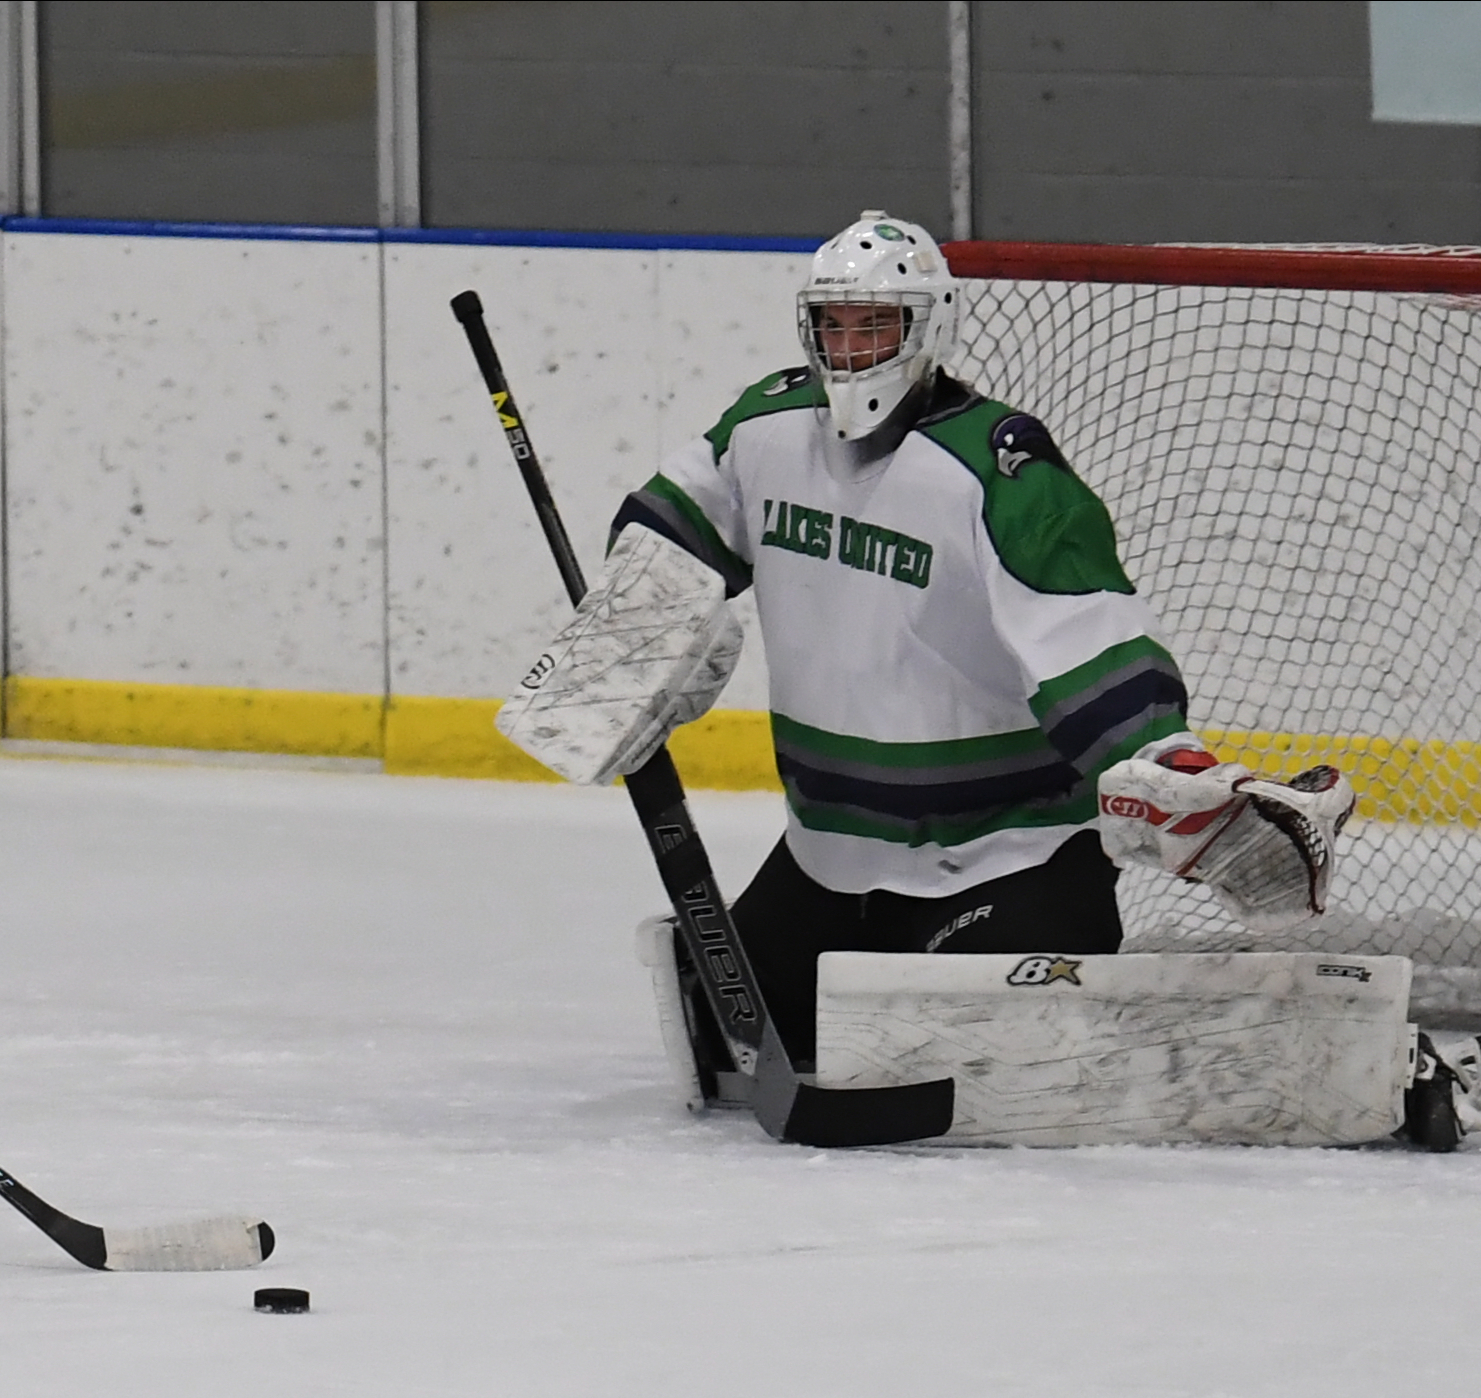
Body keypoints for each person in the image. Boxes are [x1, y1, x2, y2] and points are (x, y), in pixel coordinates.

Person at [499, 211, 1370, 1109]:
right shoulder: (763, 427)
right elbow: (669, 531)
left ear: (928, 327)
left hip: (1008, 859)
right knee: (719, 1027)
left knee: (975, 1058)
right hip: (828, 858)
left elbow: (1090, 646)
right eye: (832, 325)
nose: (849, 348)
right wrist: (644, 633)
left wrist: (1171, 768)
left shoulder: (1000, 473)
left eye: (874, 323)